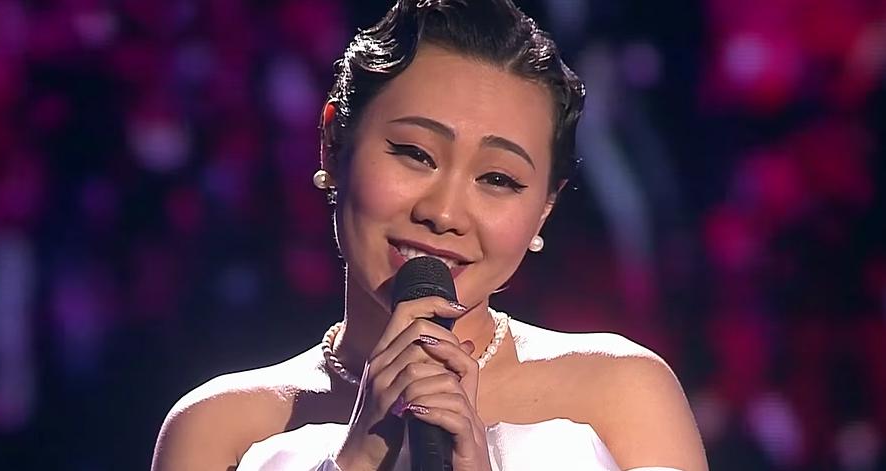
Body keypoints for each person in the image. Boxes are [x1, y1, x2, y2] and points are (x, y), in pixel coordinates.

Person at [152, 1, 708, 470]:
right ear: (333, 145)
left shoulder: (622, 395)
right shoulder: (219, 430)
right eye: (415, 154)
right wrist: (354, 462)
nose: (443, 213)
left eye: (498, 179)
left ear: (544, 209)